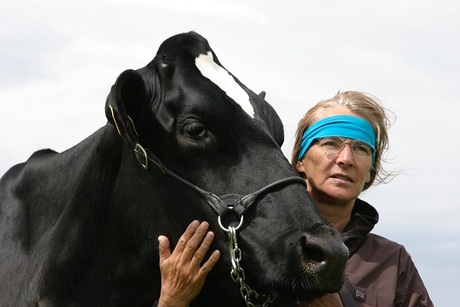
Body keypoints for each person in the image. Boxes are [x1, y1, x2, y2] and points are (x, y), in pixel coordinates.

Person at [156, 91, 433, 306]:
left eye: (361, 148)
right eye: (330, 143)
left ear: (370, 170)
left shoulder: (391, 262)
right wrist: (172, 301)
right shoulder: (244, 245)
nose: (346, 159)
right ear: (300, 159)